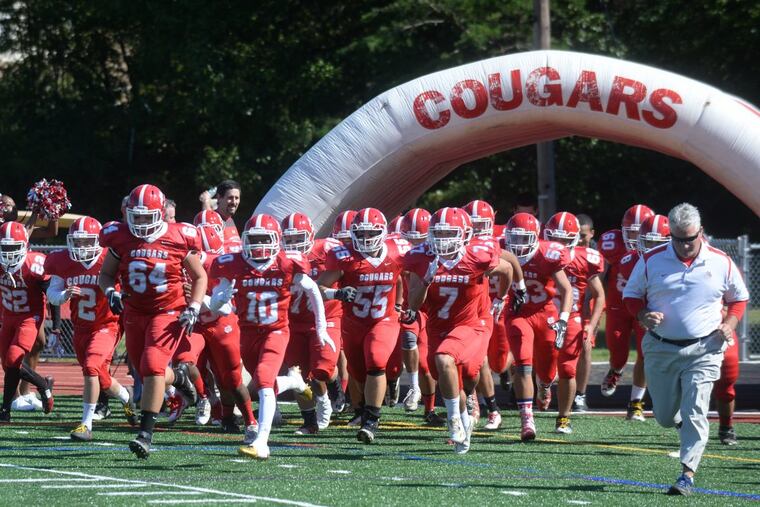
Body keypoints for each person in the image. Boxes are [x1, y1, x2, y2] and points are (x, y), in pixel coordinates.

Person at [623, 203, 748, 496]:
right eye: (677, 239)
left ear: (700, 233)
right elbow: (631, 294)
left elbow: (739, 299)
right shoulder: (652, 259)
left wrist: (730, 322)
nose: (684, 245)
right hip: (661, 347)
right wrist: (642, 314)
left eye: (690, 238)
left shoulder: (720, 261)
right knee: (666, 416)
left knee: (695, 409)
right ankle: (680, 427)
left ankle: (687, 475)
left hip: (705, 348)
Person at [99, 184, 207, 458]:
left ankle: (145, 433)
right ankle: (180, 378)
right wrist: (110, 292)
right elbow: (106, 275)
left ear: (160, 214)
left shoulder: (177, 236)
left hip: (168, 311)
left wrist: (193, 306)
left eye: (148, 216)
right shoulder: (120, 237)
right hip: (135, 312)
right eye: (137, 216)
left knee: (152, 365)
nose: (142, 222)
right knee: (145, 368)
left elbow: (200, 277)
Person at [209, 213, 325, 460]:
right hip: (248, 333)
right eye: (254, 239)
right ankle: (294, 382)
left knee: (262, 380)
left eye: (264, 238)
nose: (259, 245)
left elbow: (313, 290)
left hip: (276, 331)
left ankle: (262, 442)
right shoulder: (234, 263)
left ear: (276, 240)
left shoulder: (287, 262)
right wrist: (220, 297)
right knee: (265, 383)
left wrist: (321, 328)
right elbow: (221, 305)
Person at [404, 207, 512, 454]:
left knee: (448, 362)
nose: (442, 240)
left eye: (449, 234)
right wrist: (426, 279)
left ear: (464, 234)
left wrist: (501, 298)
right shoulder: (420, 257)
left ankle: (453, 421)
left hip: (472, 323)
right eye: (438, 233)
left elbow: (507, 269)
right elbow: (413, 304)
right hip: (438, 325)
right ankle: (464, 425)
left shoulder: (478, 255)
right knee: (449, 378)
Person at [317, 208, 408, 444]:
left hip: (383, 319)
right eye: (361, 233)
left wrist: (400, 305)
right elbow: (318, 287)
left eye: (371, 232)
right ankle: (365, 409)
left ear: (382, 232)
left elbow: (401, 276)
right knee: (358, 372)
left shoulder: (397, 251)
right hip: (354, 322)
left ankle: (371, 420)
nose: (366, 238)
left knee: (376, 361)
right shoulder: (344, 256)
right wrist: (337, 292)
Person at [45, 217, 137, 440]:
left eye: (87, 242)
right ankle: (127, 397)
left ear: (98, 241)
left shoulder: (109, 258)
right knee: (101, 378)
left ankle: (86, 425)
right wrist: (64, 296)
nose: (82, 247)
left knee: (91, 366)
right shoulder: (62, 260)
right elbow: (51, 294)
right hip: (81, 328)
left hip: (107, 324)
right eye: (77, 242)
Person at [503, 212, 573, 441]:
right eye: (515, 237)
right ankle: (527, 419)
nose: (519, 244)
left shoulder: (548, 253)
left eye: (524, 238)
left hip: (545, 314)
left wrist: (563, 317)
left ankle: (545, 384)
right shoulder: (501, 249)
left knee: (547, 368)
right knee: (523, 362)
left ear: (535, 237)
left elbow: (566, 290)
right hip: (518, 313)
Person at [281, 212, 344, 434]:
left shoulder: (328, 250)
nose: (294, 244)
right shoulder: (278, 258)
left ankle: (333, 386)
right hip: (293, 321)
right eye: (289, 239)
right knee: (297, 374)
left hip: (326, 317)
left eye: (299, 238)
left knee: (322, 370)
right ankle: (310, 421)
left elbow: (346, 269)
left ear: (311, 236)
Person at [543, 212, 605, 433]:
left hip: (571, 318)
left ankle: (563, 418)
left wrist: (592, 323)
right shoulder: (539, 252)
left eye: (563, 238)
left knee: (568, 368)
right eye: (555, 238)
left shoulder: (585, 257)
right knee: (544, 367)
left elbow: (599, 294)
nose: (558, 243)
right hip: (544, 315)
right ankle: (545, 385)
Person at [0, 221, 56, 421]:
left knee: (14, 358)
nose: (8, 253)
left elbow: (51, 294)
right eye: (4, 248)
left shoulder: (35, 263)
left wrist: (56, 325)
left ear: (24, 245)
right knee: (8, 366)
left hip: (29, 317)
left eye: (13, 248)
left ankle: (7, 409)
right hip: (8, 316)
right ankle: (8, 409)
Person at [598, 204, 653, 403]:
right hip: (618, 305)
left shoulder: (659, 244)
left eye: (641, 232)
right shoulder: (611, 243)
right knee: (618, 353)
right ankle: (616, 369)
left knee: (645, 353)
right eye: (631, 232)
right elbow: (599, 275)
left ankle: (636, 401)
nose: (636, 237)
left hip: (645, 307)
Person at [573, 213, 596, 412]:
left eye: (583, 235)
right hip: (563, 305)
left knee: (585, 346)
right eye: (576, 235)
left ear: (591, 234)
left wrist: (591, 321)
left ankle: (580, 394)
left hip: (586, 305)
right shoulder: (564, 251)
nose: (579, 240)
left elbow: (597, 291)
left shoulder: (594, 255)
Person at [200, 180, 242, 253]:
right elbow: (207, 217)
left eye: (237, 198)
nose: (234, 202)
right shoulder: (213, 221)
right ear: (219, 198)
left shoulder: (229, 220)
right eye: (230, 198)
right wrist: (206, 201)